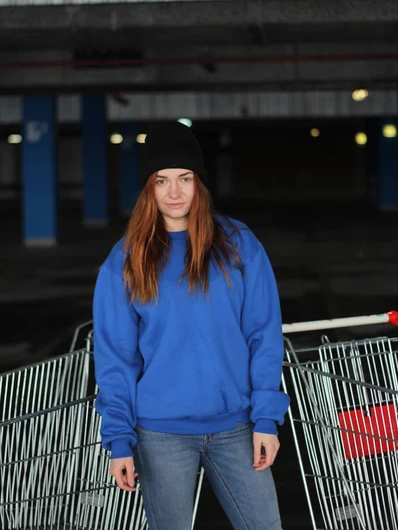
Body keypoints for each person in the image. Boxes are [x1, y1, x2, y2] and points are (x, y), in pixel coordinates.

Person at [93, 124, 290, 530]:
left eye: (185, 179)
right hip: (159, 435)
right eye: (161, 181)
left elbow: (264, 334)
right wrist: (118, 441)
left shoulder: (238, 244)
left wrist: (267, 418)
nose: (175, 192)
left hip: (237, 426)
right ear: (149, 188)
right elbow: (116, 358)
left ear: (199, 183)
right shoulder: (126, 260)